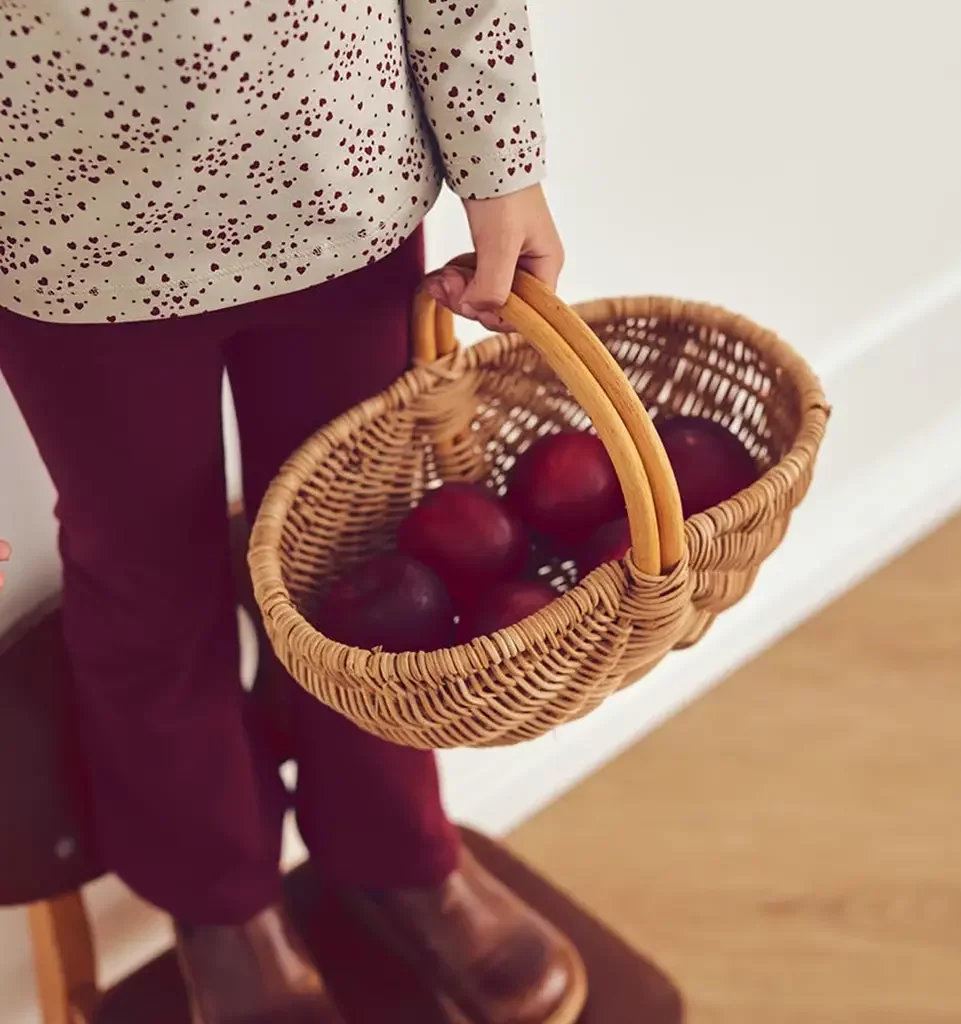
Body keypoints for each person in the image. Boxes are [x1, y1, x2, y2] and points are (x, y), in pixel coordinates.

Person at [0, 3, 582, 1023]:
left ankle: (393, 849)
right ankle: (216, 897)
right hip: (58, 220)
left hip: (332, 175)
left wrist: (501, 159)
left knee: (361, 553)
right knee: (143, 584)